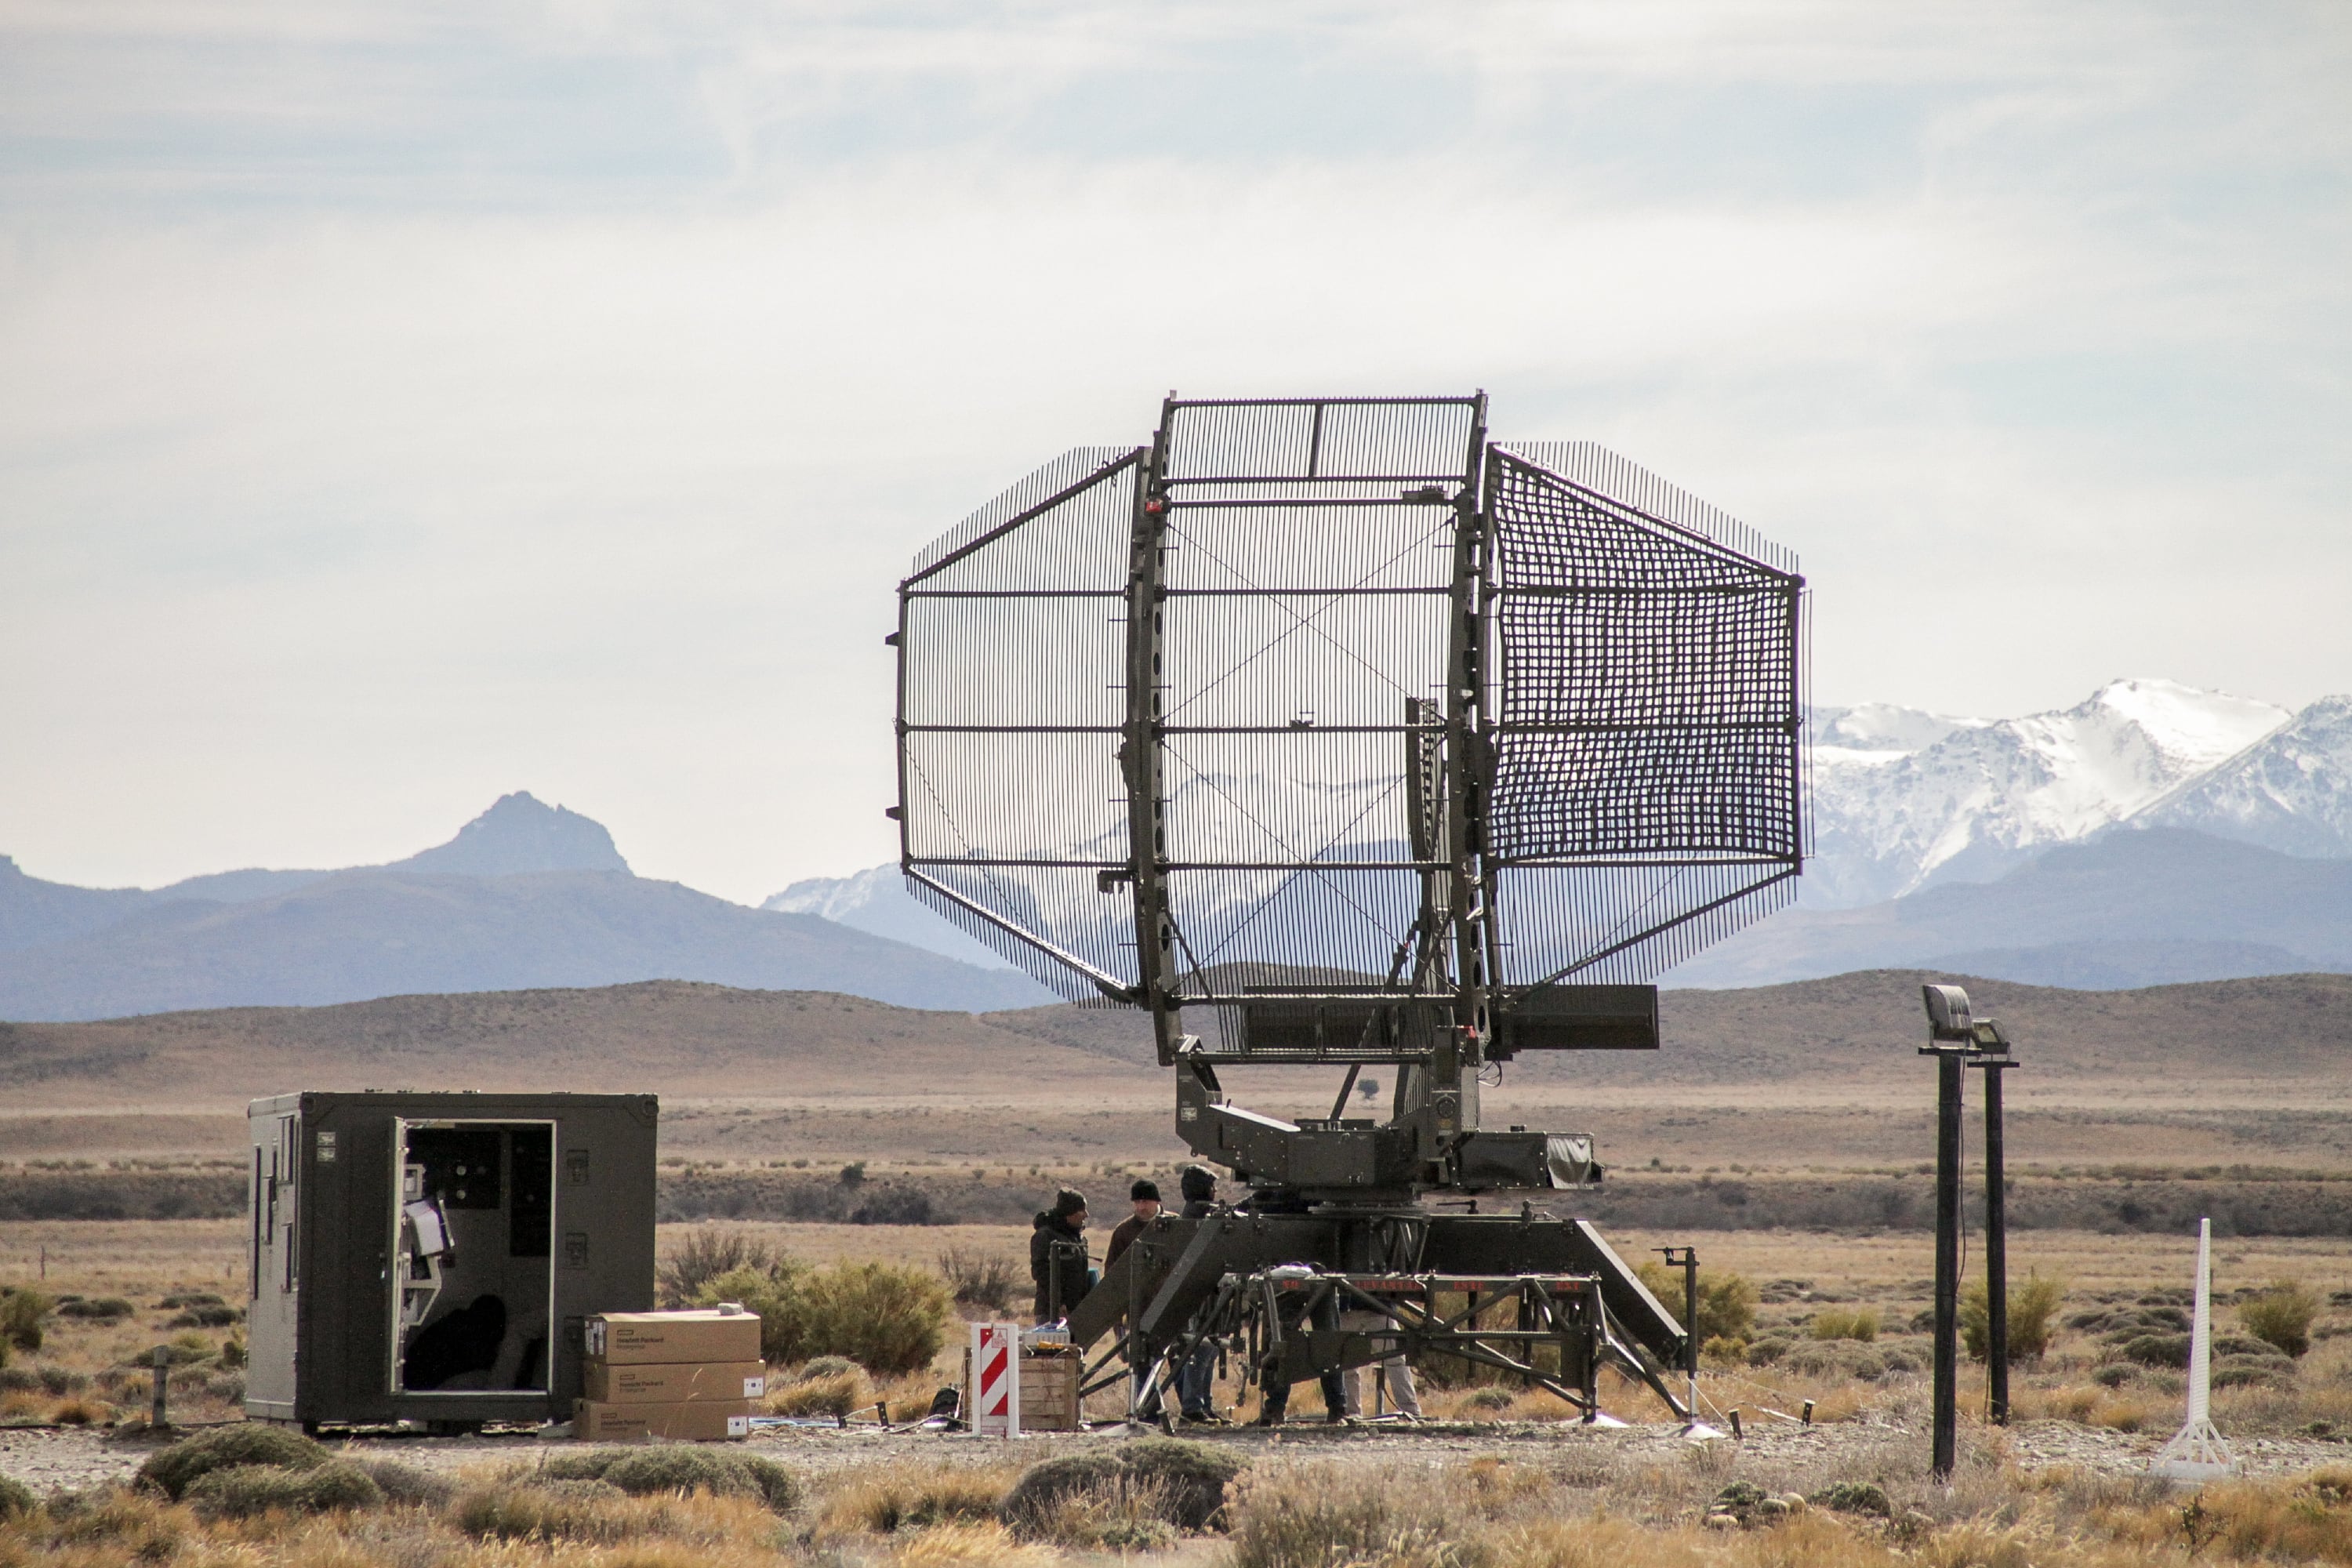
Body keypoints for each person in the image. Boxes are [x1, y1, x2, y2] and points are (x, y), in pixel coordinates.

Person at [1173, 1167, 1221, 1419]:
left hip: (1204, 1291)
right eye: (1211, 1186)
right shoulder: (1200, 1214)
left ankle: (1203, 1406)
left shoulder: (1196, 1212)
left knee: (1208, 1351)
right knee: (1201, 1351)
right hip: (1201, 1294)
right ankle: (1193, 1407)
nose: (1215, 1191)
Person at [1029, 1187, 1091, 1323]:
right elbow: (1042, 1273)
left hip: (1076, 1311)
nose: (1086, 1214)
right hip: (1051, 1313)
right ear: (1069, 1213)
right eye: (1081, 1210)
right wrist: (1058, 1302)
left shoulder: (1077, 1237)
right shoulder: (1045, 1236)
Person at [1105, 1178, 1161, 1271]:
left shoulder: (1177, 1224)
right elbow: (1112, 1270)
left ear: (1157, 1201)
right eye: (1137, 1202)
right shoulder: (1123, 1231)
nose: (1141, 1207)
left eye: (1145, 1202)